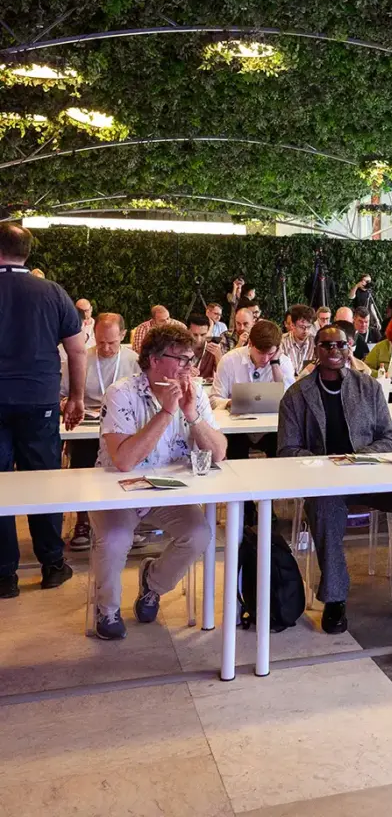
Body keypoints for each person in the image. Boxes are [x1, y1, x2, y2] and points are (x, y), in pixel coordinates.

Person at [278, 325, 392, 633]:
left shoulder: (368, 387)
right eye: (327, 345)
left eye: (340, 345)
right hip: (326, 483)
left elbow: (389, 437)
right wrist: (328, 463)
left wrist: (360, 457)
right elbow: (287, 450)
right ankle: (335, 598)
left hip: (372, 475)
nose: (334, 351)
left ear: (349, 347)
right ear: (316, 349)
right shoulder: (296, 396)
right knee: (325, 508)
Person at [89, 324, 226, 639]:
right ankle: (107, 609)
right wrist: (166, 411)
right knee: (115, 539)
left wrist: (191, 415)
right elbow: (124, 461)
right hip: (118, 489)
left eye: (191, 359)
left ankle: (153, 584)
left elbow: (219, 453)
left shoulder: (194, 392)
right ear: (153, 360)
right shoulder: (121, 393)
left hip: (167, 490)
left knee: (199, 533)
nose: (188, 367)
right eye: (181, 359)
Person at [0, 222, 84, 598]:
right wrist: (76, 397)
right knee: (43, 483)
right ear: (27, 253)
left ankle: (4, 576)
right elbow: (77, 349)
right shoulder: (52, 292)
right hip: (40, 401)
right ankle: (52, 565)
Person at [60, 312, 141, 549]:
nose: (105, 348)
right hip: (87, 424)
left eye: (112, 342)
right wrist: (68, 404)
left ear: (123, 335)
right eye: (101, 341)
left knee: (127, 462)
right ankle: (83, 521)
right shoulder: (81, 359)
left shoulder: (134, 360)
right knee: (82, 464)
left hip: (124, 425)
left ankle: (128, 520)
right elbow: (61, 395)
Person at [212, 319, 296, 460]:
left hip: (271, 428)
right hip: (236, 428)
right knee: (235, 447)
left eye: (270, 353)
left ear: (278, 349)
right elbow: (214, 399)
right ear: (250, 344)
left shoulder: (284, 362)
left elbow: (290, 401)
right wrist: (229, 403)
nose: (265, 359)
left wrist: (275, 364)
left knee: (282, 444)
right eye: (260, 353)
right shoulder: (229, 360)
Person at [280, 304, 318, 374]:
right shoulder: (282, 341)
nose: (306, 331)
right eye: (302, 327)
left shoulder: (315, 341)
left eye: (308, 327)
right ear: (292, 325)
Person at [187, 312, 221, 380]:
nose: (199, 339)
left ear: (208, 332)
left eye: (203, 335)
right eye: (195, 335)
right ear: (188, 331)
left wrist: (219, 357)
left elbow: (225, 375)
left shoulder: (214, 347)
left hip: (205, 386)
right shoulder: (179, 347)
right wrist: (184, 370)